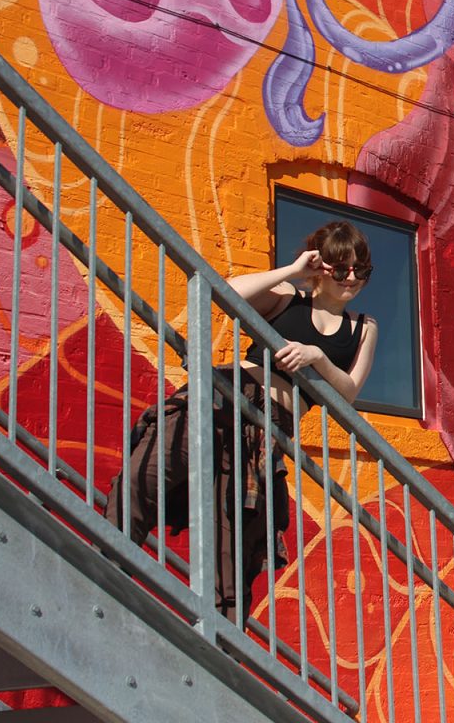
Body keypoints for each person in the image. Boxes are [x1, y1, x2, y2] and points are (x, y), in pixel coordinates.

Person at [104, 220, 377, 621]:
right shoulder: (288, 297)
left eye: (361, 270)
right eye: (341, 268)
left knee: (234, 539)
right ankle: (107, 568)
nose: (351, 278)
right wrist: (292, 270)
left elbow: (349, 393)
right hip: (225, 395)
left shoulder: (362, 327)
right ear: (322, 268)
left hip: (269, 430)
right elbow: (223, 293)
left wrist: (316, 358)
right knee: (147, 472)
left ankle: (220, 649)